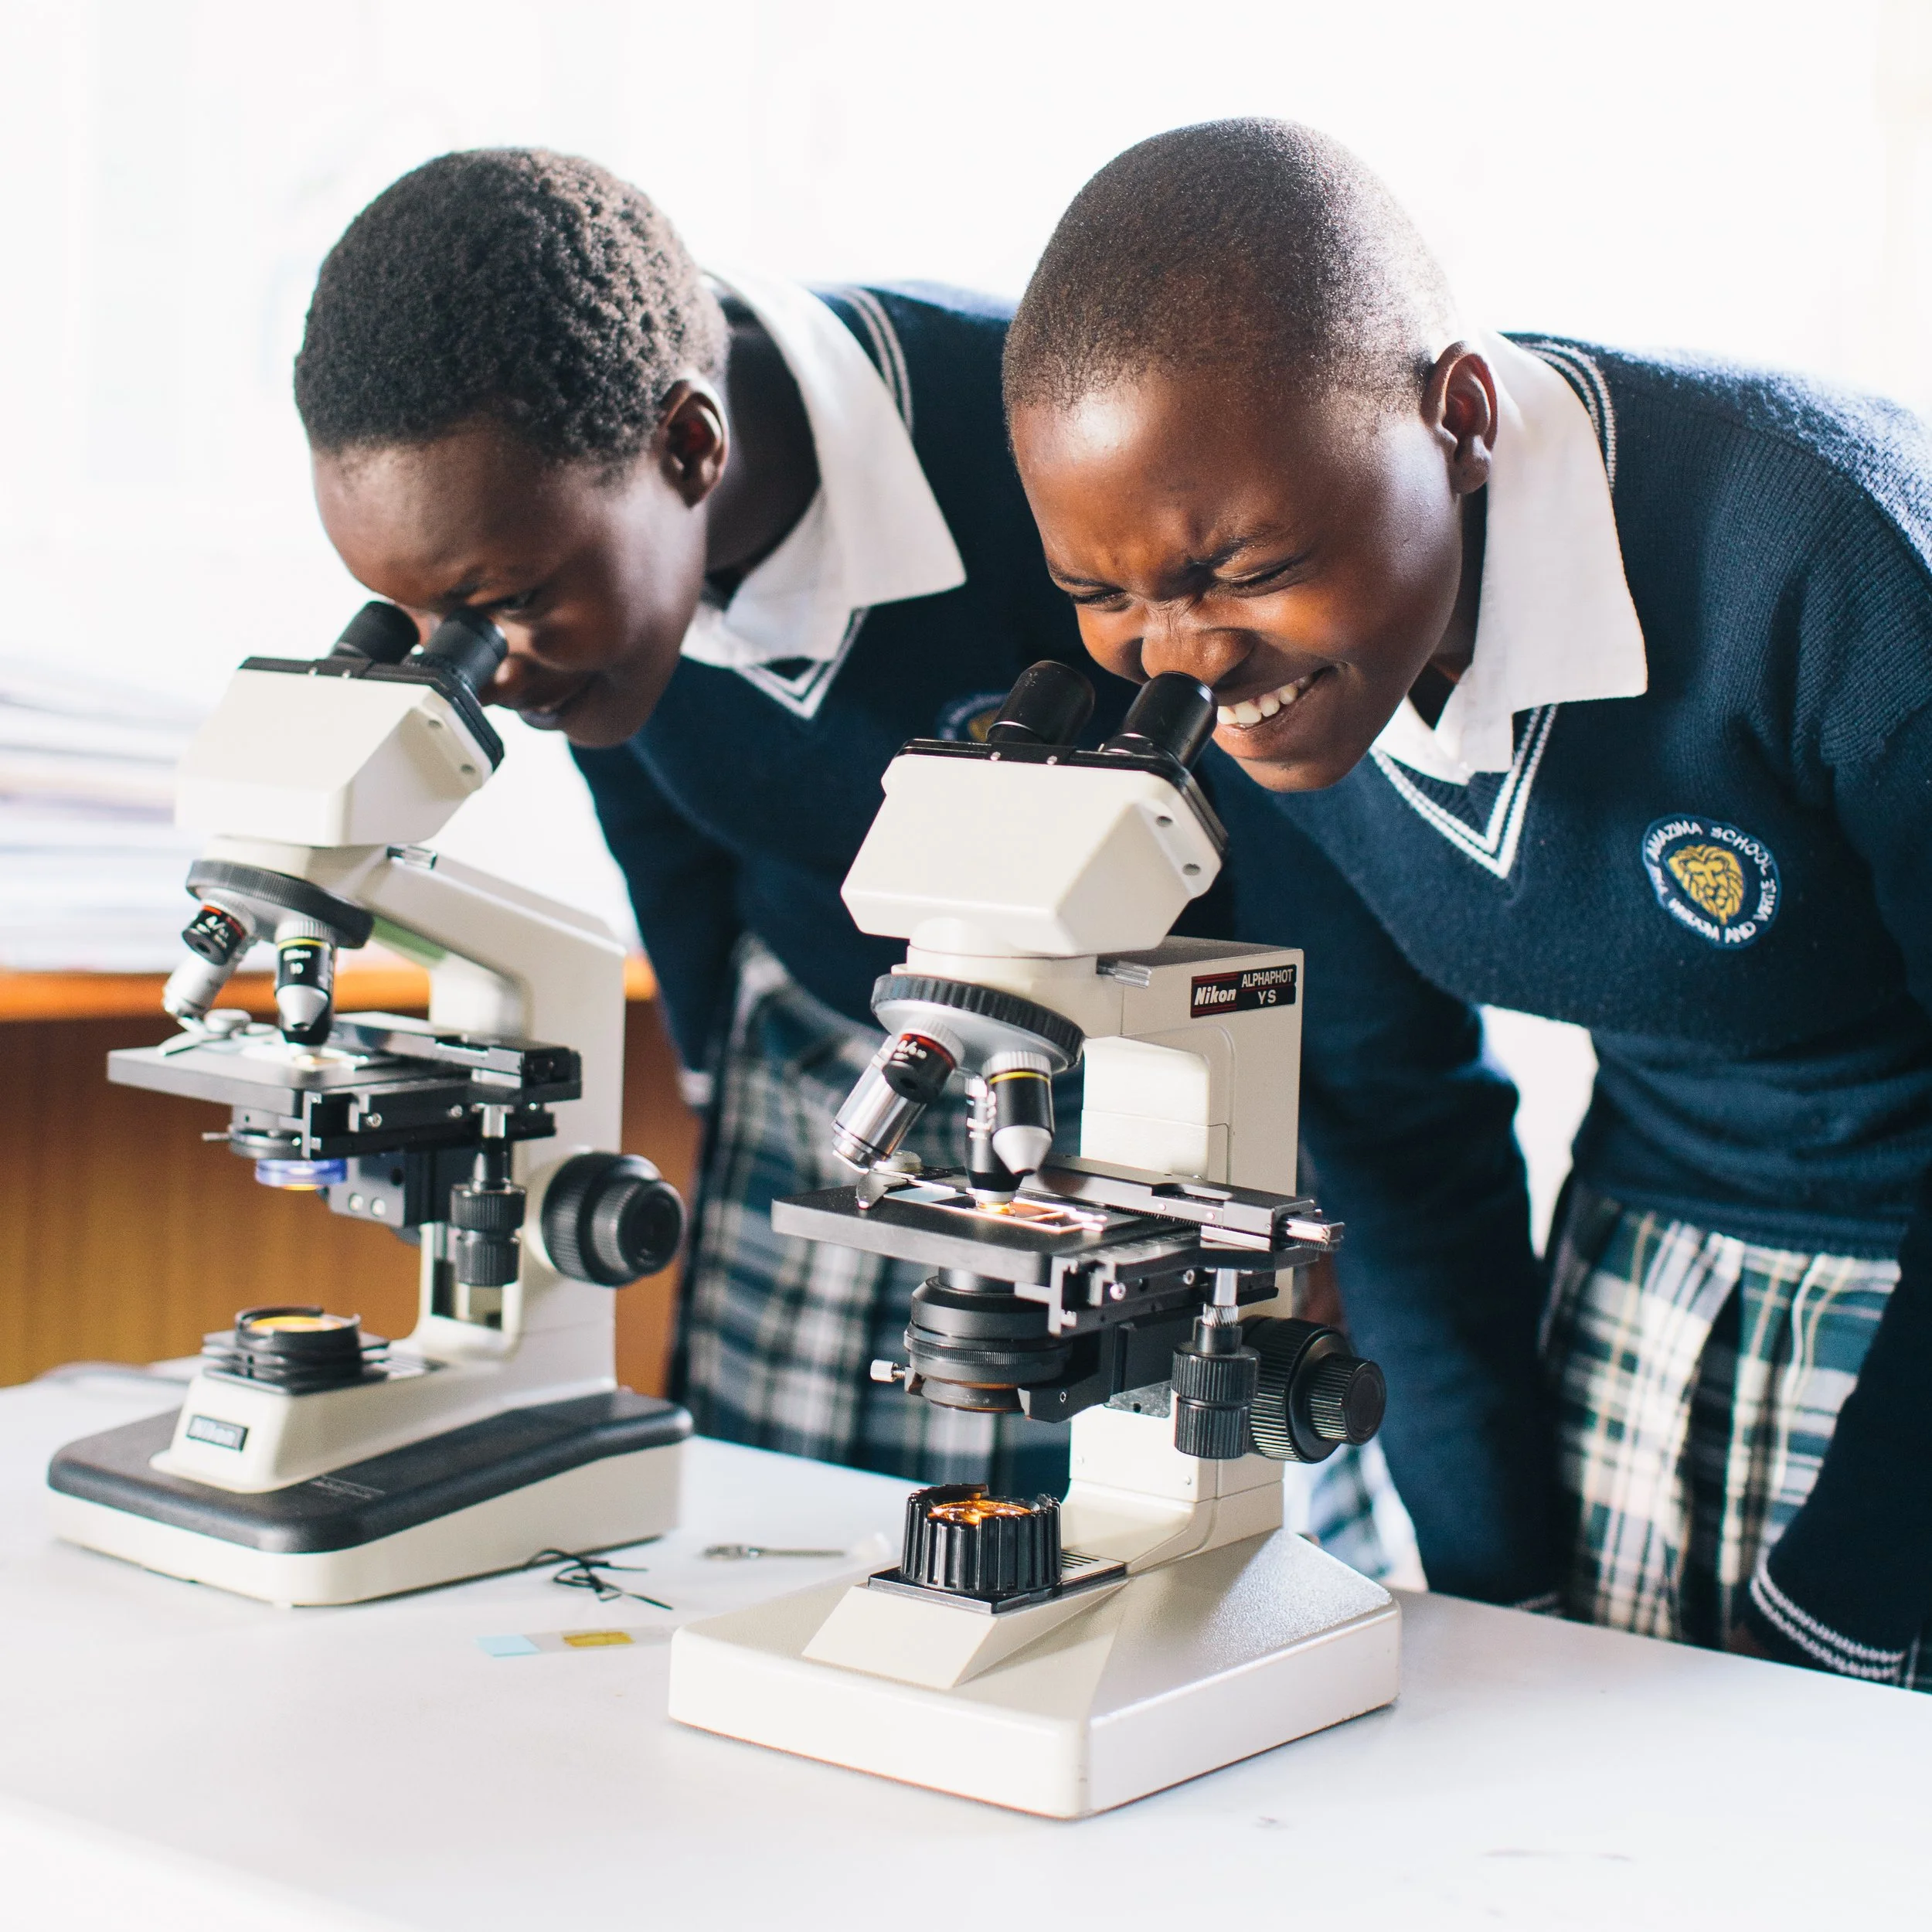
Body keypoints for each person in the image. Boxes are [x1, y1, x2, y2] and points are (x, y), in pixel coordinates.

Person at [289, 147, 1414, 1582]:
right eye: (429, 619)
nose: (485, 674)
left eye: (503, 605)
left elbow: (1320, 873)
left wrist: (1311, 1213)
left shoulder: (1076, 455)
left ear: (688, 451)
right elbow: (666, 837)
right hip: (843, 1060)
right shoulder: (571, 572)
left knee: (1168, 1560)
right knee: (779, 1567)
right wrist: (727, 1092)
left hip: (1166, 1090)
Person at [999, 116, 1932, 1668]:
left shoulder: (1829, 562)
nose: (1183, 656)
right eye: (1102, 592)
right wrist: (1501, 1567)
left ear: (1459, 420)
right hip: (1644, 1250)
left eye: (1244, 566)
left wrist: (1858, 1586)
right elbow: (1397, 1127)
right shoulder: (1246, 703)